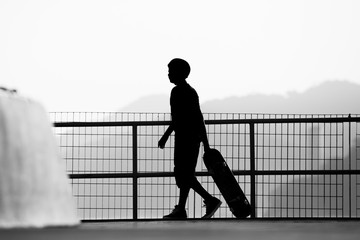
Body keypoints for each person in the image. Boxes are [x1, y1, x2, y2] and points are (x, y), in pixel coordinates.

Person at [158, 58, 222, 219]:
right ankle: (181, 208)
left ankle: (208, 199)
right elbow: (198, 118)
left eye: (171, 71)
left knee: (182, 174)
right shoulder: (191, 91)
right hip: (193, 138)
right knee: (185, 174)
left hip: (184, 138)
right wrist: (205, 143)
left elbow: (178, 119)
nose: (168, 74)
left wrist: (165, 136)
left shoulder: (178, 92)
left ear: (179, 73)